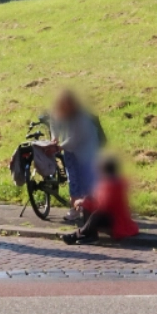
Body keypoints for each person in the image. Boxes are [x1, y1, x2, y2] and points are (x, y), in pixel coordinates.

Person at [46, 90, 100, 223]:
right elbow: (53, 122)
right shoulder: (59, 111)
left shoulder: (81, 117)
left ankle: (91, 210)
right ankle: (75, 209)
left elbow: (76, 137)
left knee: (87, 179)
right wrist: (54, 137)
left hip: (86, 150)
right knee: (73, 179)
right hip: (69, 150)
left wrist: (60, 146)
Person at [61, 156, 139, 245]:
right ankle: (91, 236)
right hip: (109, 216)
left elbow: (105, 206)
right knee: (88, 202)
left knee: (97, 213)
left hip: (117, 221)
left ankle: (75, 235)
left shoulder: (115, 185)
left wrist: (83, 202)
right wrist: (84, 201)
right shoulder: (107, 182)